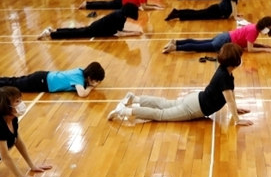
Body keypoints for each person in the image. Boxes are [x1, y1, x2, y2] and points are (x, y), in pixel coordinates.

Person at [106, 43, 251, 129]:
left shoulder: (224, 71)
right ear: (235, 61)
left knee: (164, 104)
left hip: (194, 99)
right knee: (160, 115)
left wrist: (236, 110)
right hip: (193, 108)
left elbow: (228, 97)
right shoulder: (225, 76)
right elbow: (229, 99)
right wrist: (238, 120)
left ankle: (134, 98)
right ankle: (124, 111)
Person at [0, 62, 105, 98]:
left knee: (14, 81)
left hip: (43, 79)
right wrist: (90, 88)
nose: (96, 84)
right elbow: (82, 94)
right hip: (41, 81)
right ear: (90, 77)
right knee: (13, 84)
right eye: (96, 81)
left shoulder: (81, 73)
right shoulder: (78, 78)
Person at [162, 16, 271, 54]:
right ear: (264, 26)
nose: (267, 31)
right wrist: (264, 50)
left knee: (199, 42)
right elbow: (249, 49)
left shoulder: (253, 26)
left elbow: (248, 42)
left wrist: (263, 45)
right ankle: (175, 48)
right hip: (224, 42)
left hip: (224, 36)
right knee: (198, 47)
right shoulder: (254, 31)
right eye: (268, 28)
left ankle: (176, 41)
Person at [37, 4, 142, 40]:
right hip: (96, 29)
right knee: (76, 34)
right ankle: (51, 34)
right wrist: (134, 33)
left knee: (77, 31)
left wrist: (133, 32)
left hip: (98, 27)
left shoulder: (121, 15)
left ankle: (54, 30)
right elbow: (119, 33)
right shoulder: (119, 16)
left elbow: (120, 30)